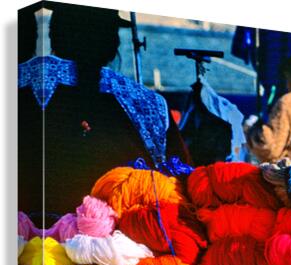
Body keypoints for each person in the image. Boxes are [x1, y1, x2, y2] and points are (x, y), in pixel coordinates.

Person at [18, 4, 190, 217]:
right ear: (112, 41)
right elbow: (181, 186)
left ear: (54, 36)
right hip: (119, 244)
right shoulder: (149, 103)